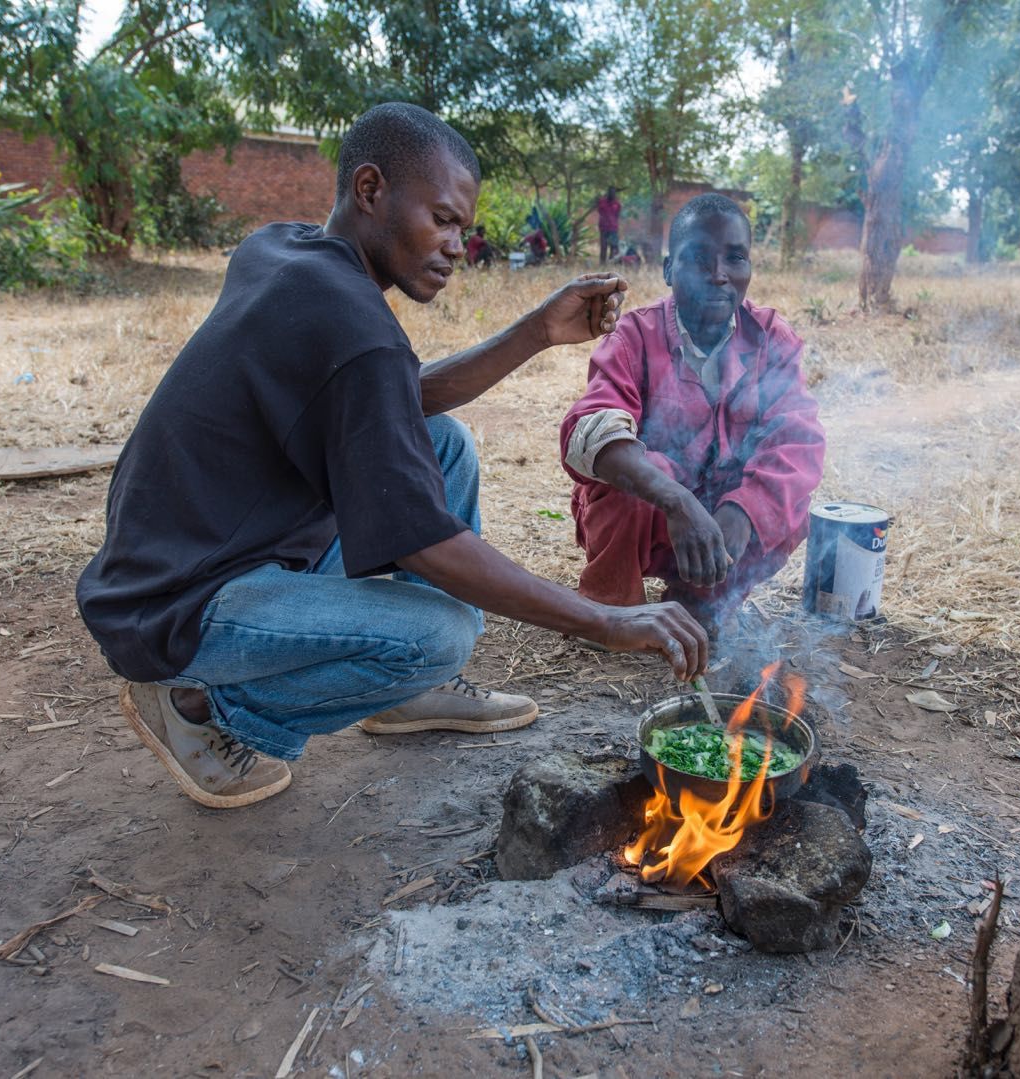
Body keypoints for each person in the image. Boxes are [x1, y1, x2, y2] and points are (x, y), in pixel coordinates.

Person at [77, 103, 706, 810]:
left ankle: (406, 695)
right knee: (441, 633)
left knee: (443, 444)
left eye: (461, 229)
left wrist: (533, 333)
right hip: (179, 607)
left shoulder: (284, 249)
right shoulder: (354, 328)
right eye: (441, 219)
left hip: (174, 556)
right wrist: (607, 619)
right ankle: (205, 713)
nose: (454, 247)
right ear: (371, 189)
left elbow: (396, 396)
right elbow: (428, 543)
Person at [559, 194, 825, 635]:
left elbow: (797, 441)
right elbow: (589, 432)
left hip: (722, 528)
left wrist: (741, 512)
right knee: (636, 476)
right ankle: (612, 607)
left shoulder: (771, 339)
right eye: (699, 258)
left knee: (784, 501)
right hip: (650, 523)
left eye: (735, 258)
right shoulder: (633, 336)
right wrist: (678, 502)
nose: (719, 275)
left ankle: (703, 601)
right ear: (668, 270)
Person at [597, 186, 622, 264]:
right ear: (608, 193)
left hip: (613, 228)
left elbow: (617, 215)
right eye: (611, 192)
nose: (612, 194)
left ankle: (611, 263)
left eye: (614, 192)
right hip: (603, 228)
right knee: (603, 247)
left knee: (613, 247)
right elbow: (599, 211)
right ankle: (602, 263)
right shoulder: (602, 202)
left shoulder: (617, 204)